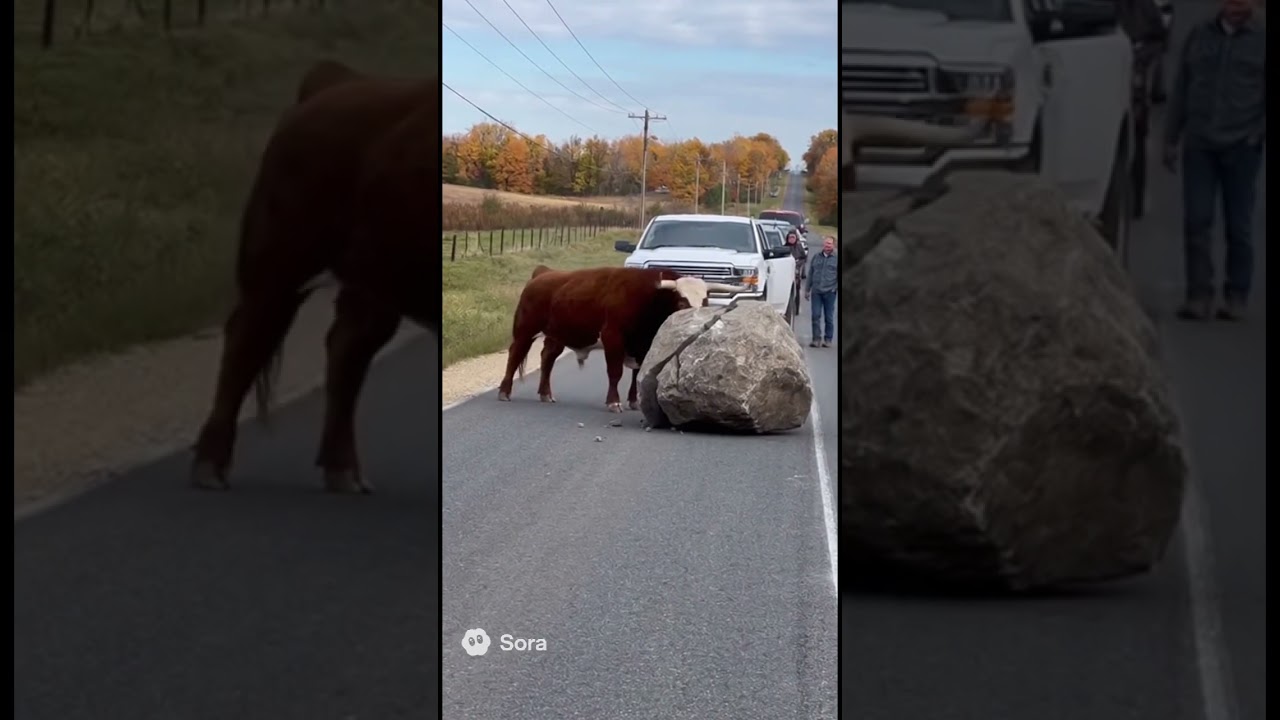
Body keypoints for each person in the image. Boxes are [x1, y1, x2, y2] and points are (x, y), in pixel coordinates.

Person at [1162, 0, 1266, 321]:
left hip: (1241, 145)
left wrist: (1256, 134)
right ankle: (1198, 296)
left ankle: (1235, 296)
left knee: (1239, 226)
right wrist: (1170, 138)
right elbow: (1182, 86)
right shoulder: (1200, 34)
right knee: (1197, 220)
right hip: (1200, 143)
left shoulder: (1261, 37)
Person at [804, 236, 838, 348]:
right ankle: (816, 339)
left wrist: (834, 288)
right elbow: (810, 274)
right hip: (816, 291)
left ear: (833, 245)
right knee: (815, 315)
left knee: (829, 317)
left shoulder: (836, 258)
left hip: (830, 292)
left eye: (829, 244)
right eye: (826, 243)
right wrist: (807, 289)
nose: (827, 245)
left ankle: (828, 339)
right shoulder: (816, 257)